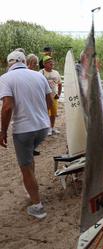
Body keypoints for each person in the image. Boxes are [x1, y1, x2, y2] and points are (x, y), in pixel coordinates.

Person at [0, 51, 53, 219]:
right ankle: (31, 190)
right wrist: (40, 115)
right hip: (43, 128)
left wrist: (2, 131)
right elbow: (50, 101)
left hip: (24, 130)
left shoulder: (6, 78)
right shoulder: (39, 76)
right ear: (24, 61)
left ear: (9, 64)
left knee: (25, 167)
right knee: (29, 159)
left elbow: (7, 107)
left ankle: (38, 207)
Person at [40, 56, 62, 136]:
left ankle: (52, 128)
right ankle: (46, 128)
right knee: (45, 113)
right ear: (44, 64)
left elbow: (60, 84)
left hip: (54, 96)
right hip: (44, 97)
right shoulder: (40, 73)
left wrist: (59, 95)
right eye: (49, 62)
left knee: (53, 113)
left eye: (52, 62)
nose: (52, 63)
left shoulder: (56, 73)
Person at [26, 53, 41, 155]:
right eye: (34, 63)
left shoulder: (34, 73)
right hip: (28, 103)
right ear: (29, 62)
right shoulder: (26, 72)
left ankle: (31, 148)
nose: (36, 65)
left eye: (36, 63)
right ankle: (29, 149)